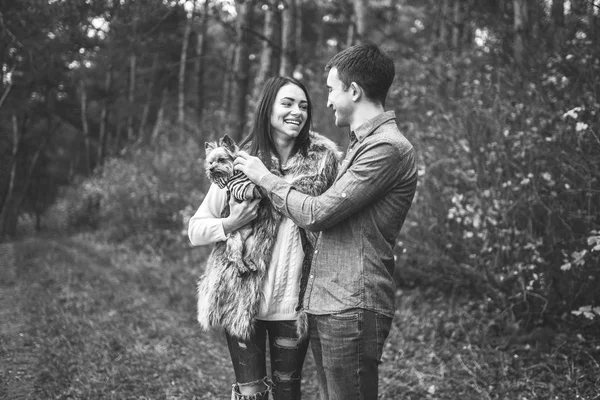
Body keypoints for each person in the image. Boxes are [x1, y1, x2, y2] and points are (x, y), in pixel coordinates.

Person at [234, 44, 418, 400]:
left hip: (353, 305)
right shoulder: (360, 145)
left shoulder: (387, 148)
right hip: (331, 304)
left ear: (354, 91)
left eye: (332, 90)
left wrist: (265, 178)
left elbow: (317, 214)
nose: (328, 101)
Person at [188, 76, 340, 400]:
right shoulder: (239, 161)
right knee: (250, 395)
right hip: (242, 303)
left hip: (294, 305)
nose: (296, 111)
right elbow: (195, 229)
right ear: (268, 108)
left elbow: (334, 222)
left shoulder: (324, 161)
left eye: (303, 105)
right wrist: (230, 223)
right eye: (287, 103)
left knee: (287, 392)